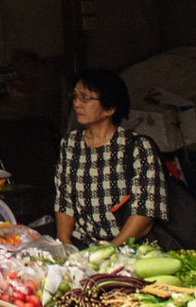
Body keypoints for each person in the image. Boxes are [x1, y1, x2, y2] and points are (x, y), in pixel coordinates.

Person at [52, 67, 167, 246]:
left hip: (128, 247)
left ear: (110, 108)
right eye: (75, 96)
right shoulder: (70, 144)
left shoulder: (137, 147)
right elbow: (64, 201)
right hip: (83, 244)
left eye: (85, 98)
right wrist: (65, 245)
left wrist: (111, 250)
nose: (77, 104)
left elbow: (145, 213)